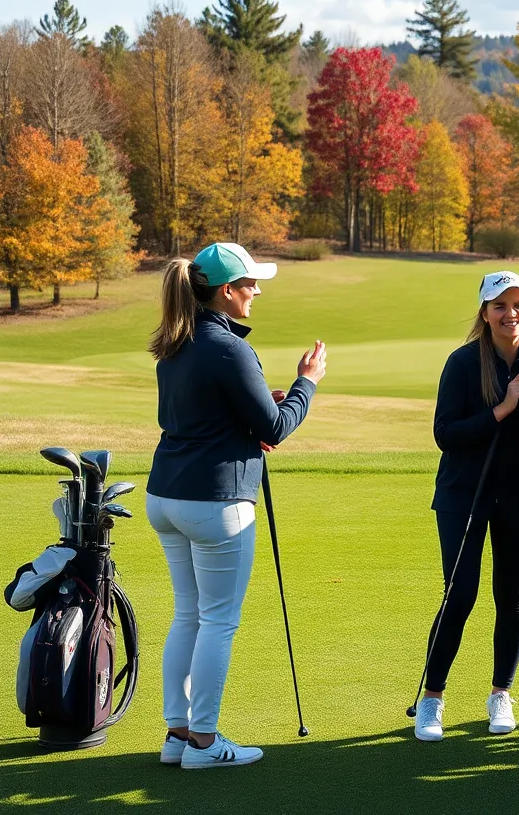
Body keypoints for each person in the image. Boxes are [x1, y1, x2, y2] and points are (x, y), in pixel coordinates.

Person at [146, 243, 326, 769]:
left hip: (168, 495)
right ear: (226, 291)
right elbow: (274, 428)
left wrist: (257, 406)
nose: (257, 291)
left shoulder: (176, 341)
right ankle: (203, 742)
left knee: (188, 615)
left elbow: (206, 414)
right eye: (250, 283)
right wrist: (305, 385)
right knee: (218, 621)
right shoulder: (229, 349)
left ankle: (177, 735)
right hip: (215, 501)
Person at [414, 271, 519, 743]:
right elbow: (444, 435)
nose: (510, 313)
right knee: (460, 592)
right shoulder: (462, 362)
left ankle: (501, 693)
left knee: (510, 595)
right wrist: (503, 407)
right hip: (462, 495)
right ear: (484, 312)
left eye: (518, 304)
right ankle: (432, 698)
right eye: (500, 305)